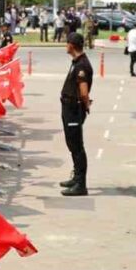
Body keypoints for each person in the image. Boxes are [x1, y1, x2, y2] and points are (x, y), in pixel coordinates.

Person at [60, 33, 93, 197]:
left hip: (74, 109)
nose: (66, 45)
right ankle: (76, 177)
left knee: (77, 146)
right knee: (72, 144)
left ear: (72, 45)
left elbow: (83, 90)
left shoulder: (81, 65)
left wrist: (86, 104)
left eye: (67, 43)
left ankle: (81, 184)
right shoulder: (76, 62)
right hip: (68, 107)